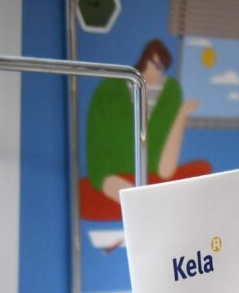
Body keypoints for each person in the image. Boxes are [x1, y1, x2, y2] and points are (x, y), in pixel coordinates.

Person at [86, 38, 202, 203]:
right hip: (112, 173)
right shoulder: (109, 90)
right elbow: (97, 157)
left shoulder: (170, 91)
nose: (155, 70)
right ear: (144, 60)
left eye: (161, 66)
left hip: (157, 170)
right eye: (153, 63)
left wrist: (181, 114)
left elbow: (165, 169)